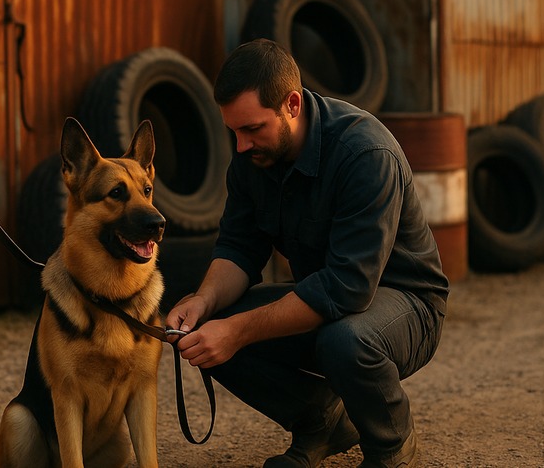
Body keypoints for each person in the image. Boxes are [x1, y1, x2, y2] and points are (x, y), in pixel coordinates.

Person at [166, 39, 448, 468]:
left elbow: (346, 289)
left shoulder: (365, 153)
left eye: (253, 128)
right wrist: (203, 303)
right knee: (210, 325)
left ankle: (392, 444)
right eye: (234, 131)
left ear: (292, 105)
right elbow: (239, 249)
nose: (241, 146)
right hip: (329, 299)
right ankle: (322, 422)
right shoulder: (253, 157)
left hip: (407, 304)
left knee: (344, 340)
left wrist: (238, 332)